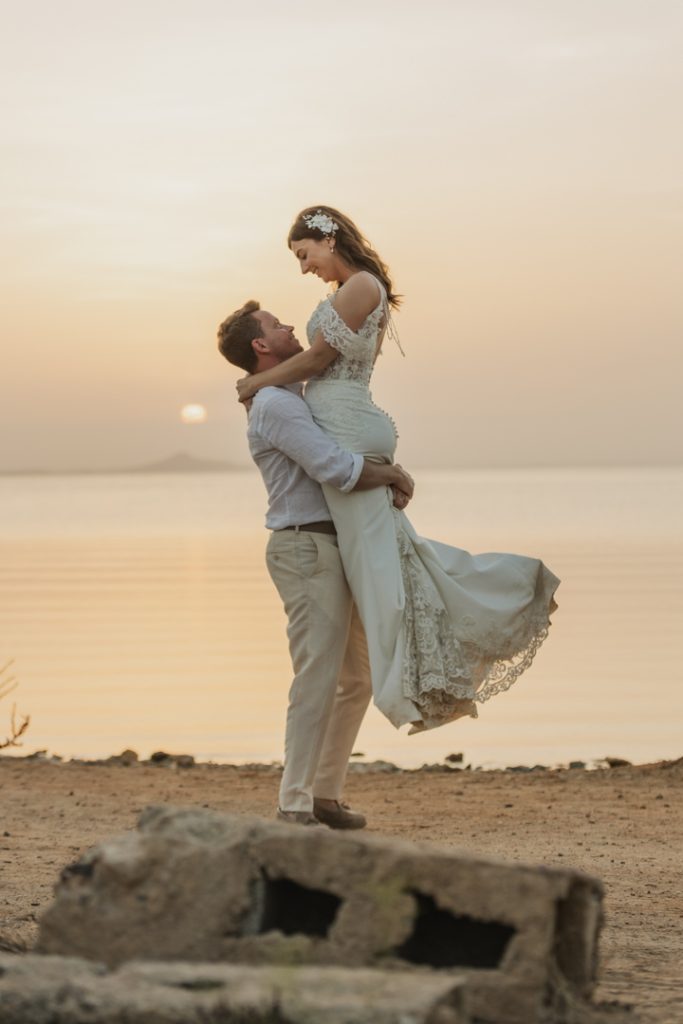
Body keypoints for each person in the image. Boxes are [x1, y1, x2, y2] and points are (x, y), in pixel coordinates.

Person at [235, 206, 560, 735]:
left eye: (303, 254)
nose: (302, 268)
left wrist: (256, 385)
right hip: (347, 423)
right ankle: (415, 676)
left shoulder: (362, 285)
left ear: (327, 237)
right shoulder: (350, 289)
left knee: (378, 566)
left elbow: (318, 361)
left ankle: (493, 607)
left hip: (348, 423)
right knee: (390, 558)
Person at [217, 300, 414, 827]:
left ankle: (324, 794)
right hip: (303, 548)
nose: (288, 328)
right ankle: (294, 801)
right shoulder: (277, 406)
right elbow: (332, 466)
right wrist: (391, 474)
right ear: (261, 346)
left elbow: (335, 360)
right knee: (317, 676)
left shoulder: (289, 394)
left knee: (359, 677)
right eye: (277, 326)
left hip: (332, 546)